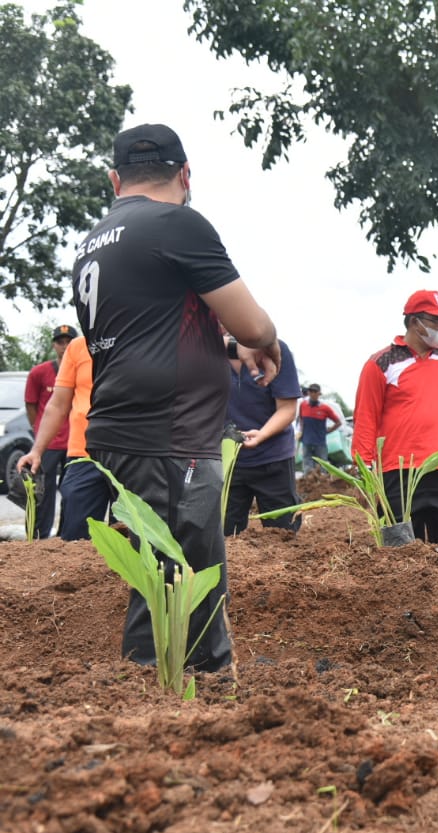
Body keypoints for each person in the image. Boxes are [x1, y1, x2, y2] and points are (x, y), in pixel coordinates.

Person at [73, 123, 281, 673]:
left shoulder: (95, 241)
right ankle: (171, 688)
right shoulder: (177, 223)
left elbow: (152, 331)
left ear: (115, 180)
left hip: (124, 427)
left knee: (169, 568)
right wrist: (265, 338)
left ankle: (177, 687)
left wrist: (229, 347)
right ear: (185, 174)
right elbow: (254, 324)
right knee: (181, 577)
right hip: (170, 434)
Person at [352, 289, 438, 545]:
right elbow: (365, 419)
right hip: (398, 473)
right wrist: (365, 472)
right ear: (414, 322)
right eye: (437, 320)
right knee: (400, 551)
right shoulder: (381, 363)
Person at [15, 334, 111, 541]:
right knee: (75, 533)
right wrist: (37, 450)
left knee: (131, 536)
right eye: (60, 341)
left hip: (134, 454)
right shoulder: (78, 347)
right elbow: (57, 404)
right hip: (82, 452)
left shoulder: (142, 337)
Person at [225, 338, 302, 535]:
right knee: (224, 535)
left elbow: (287, 408)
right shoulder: (202, 350)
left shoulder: (273, 349)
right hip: (225, 461)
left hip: (272, 457)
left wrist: (262, 434)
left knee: (283, 531)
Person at [22, 325, 76, 537]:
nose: (64, 346)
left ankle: (66, 535)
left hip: (74, 442)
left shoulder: (82, 368)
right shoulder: (39, 372)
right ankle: (39, 536)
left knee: (72, 491)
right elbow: (30, 403)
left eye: (69, 342)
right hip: (50, 443)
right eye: (60, 342)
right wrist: (39, 431)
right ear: (54, 345)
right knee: (43, 492)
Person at [297, 383, 343, 473]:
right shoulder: (303, 405)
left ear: (319, 394)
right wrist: (301, 432)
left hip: (320, 442)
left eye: (315, 392)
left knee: (322, 465)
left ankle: (322, 479)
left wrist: (329, 431)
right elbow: (301, 419)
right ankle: (308, 479)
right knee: (307, 464)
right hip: (306, 441)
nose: (313, 394)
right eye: (311, 391)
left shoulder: (325, 408)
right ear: (308, 393)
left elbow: (338, 422)